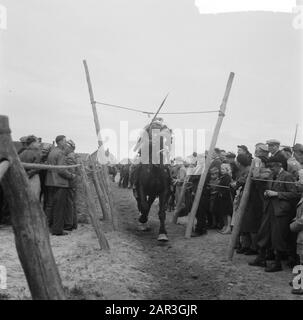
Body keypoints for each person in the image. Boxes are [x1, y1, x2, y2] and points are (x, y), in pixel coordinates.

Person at [249, 156, 299, 272]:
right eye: (269, 166)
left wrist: (277, 194)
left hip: (280, 211)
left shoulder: (287, 176)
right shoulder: (272, 175)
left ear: (279, 165)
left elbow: (294, 194)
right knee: (263, 232)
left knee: (278, 237)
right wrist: (267, 192)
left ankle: (277, 263)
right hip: (269, 209)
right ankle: (261, 258)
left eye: (272, 166)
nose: (270, 169)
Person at [45, 135, 76, 236]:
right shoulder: (61, 153)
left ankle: (46, 227)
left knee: (50, 206)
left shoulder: (52, 152)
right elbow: (61, 170)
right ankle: (57, 230)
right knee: (59, 207)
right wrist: (71, 175)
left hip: (50, 182)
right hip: (60, 183)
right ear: (61, 142)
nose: (65, 143)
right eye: (65, 141)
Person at [19, 135, 42, 199]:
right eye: (37, 142)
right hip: (33, 177)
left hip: (22, 177)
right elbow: (37, 167)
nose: (39, 144)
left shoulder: (22, 153)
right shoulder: (37, 153)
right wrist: (28, 175)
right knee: (34, 197)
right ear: (32, 143)